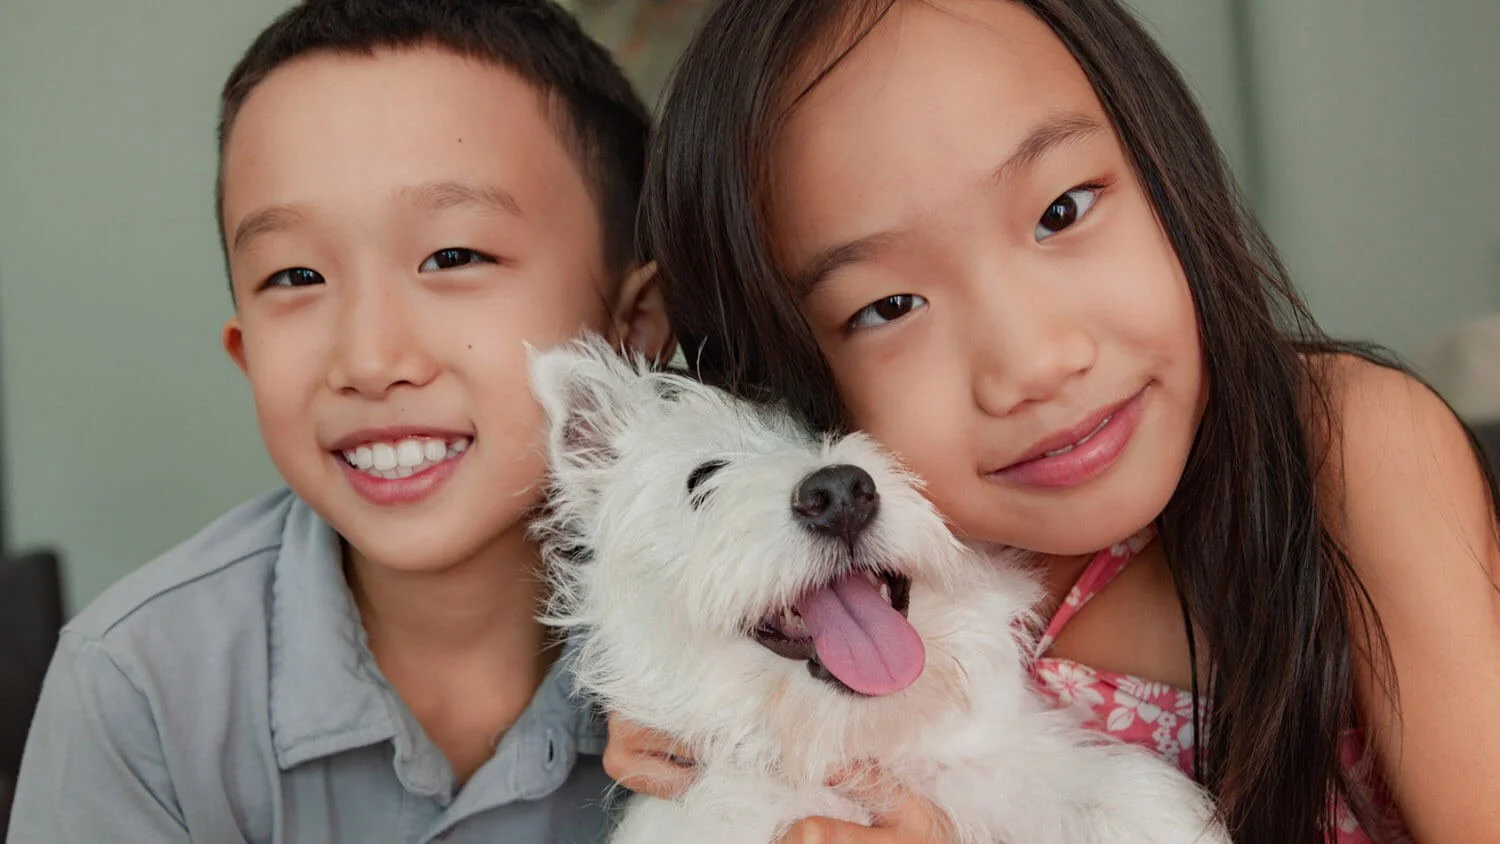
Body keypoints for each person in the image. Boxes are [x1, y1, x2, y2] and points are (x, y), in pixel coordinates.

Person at [609, 1, 1500, 841]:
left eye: (1061, 211)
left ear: (1162, 161)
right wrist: (695, 666)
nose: (1034, 363)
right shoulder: (863, 617)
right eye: (888, 306)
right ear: (781, 375)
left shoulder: (1347, 448)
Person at [8, 1, 671, 841]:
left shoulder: (765, 647)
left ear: (635, 326)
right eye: (293, 275)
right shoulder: (137, 687)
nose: (366, 358)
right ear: (245, 354)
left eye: (453, 256)